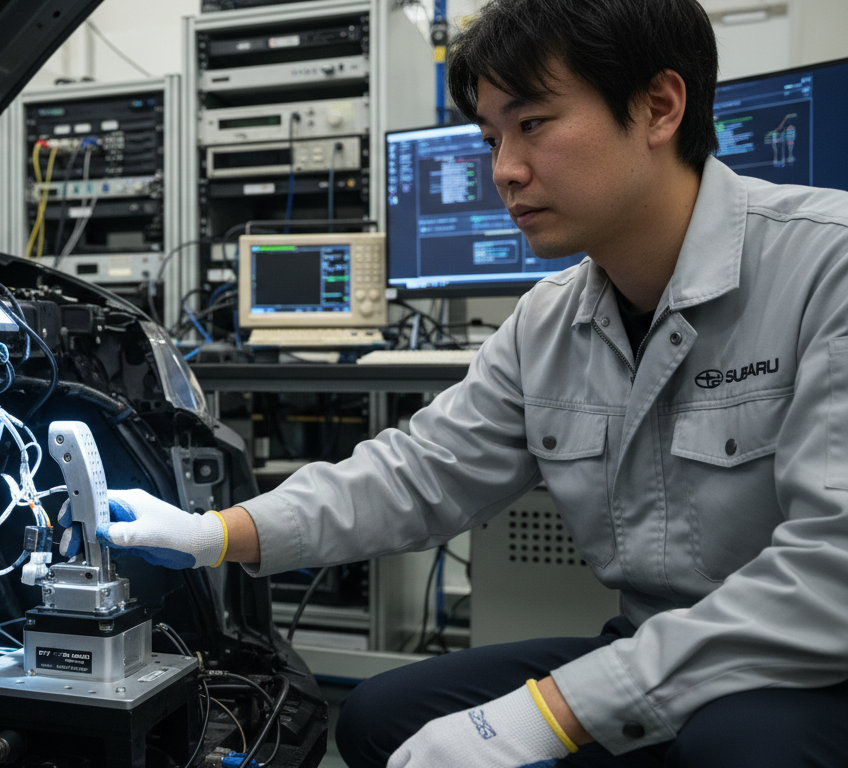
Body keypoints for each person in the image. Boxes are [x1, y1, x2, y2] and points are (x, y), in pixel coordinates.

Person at [82, 0, 848, 765]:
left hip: (812, 662)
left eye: (534, 124)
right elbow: (419, 475)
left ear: (658, 106)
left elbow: (830, 577)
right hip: (649, 643)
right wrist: (214, 533)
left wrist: (546, 715)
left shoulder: (826, 267)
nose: (505, 170)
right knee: (378, 718)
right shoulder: (549, 320)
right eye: (491, 138)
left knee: (738, 747)